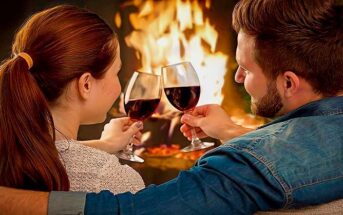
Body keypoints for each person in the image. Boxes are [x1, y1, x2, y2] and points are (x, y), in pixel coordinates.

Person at [0, 0, 342, 214]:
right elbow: (298, 148)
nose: (236, 78)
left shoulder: (245, 168)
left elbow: (128, 211)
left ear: (288, 83)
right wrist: (229, 130)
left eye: (247, 69)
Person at [0, 5, 145, 194]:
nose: (119, 86)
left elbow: (50, 150)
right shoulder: (110, 180)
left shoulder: (11, 155)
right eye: (116, 72)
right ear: (86, 84)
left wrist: (105, 145)